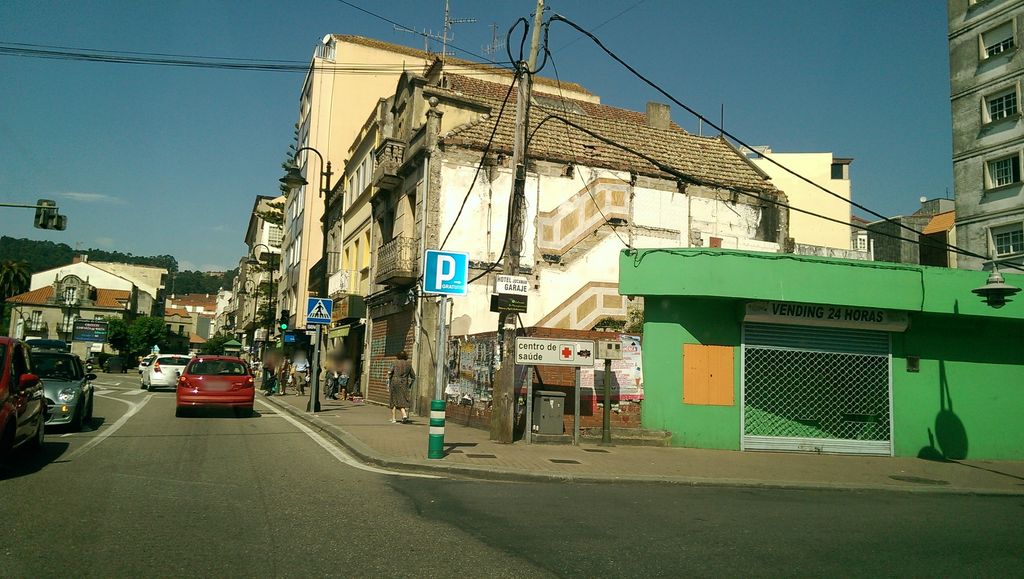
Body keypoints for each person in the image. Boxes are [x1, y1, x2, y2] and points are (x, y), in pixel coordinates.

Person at [387, 351, 414, 424]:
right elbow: (413, 376)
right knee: (402, 398)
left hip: (395, 382)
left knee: (393, 399)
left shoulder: (394, 363)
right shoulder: (409, 364)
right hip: (404, 383)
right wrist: (410, 385)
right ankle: (403, 415)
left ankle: (394, 418)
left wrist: (389, 378)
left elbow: (390, 372)